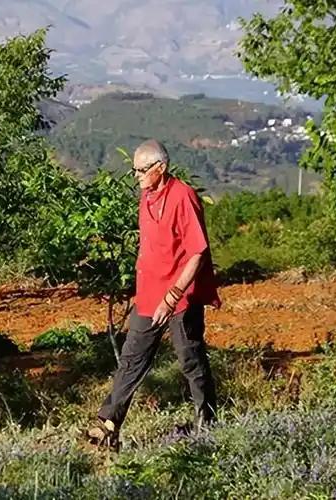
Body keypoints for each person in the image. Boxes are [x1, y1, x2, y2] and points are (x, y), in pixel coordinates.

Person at [86, 139, 221, 451]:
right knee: (131, 359)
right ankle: (108, 424)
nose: (137, 176)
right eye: (134, 170)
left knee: (191, 360)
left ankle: (209, 425)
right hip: (148, 295)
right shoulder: (146, 197)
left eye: (142, 170)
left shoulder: (183, 196)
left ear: (161, 168)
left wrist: (172, 296)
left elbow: (197, 253)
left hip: (181, 297)